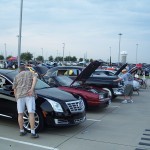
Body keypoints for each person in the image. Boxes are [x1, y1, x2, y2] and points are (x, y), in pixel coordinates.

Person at [12, 65, 39, 138]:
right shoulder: (30, 73)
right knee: (31, 113)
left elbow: (14, 88)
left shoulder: (16, 76)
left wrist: (16, 98)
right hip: (29, 95)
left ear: (19, 70)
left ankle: (21, 131)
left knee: (20, 114)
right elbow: (35, 79)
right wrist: (31, 89)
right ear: (25, 69)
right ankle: (33, 132)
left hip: (19, 96)